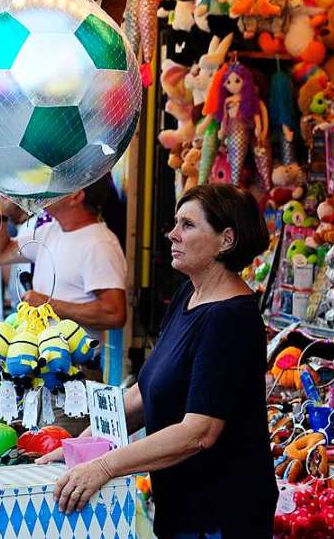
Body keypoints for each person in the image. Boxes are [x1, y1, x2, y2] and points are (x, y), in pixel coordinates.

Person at [42, 184, 276, 538]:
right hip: (179, 503)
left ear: (226, 240)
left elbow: (199, 433)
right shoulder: (188, 295)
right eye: (175, 223)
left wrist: (105, 466)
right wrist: (81, 448)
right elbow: (144, 393)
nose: (172, 234)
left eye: (188, 225)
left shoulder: (230, 319)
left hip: (221, 514)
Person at [0, 174, 128, 336]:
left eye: (56, 184)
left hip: (75, 360)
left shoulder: (99, 243)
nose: (47, 190)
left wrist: (49, 305)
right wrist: (1, 214)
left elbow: (114, 314)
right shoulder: (50, 231)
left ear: (76, 196)